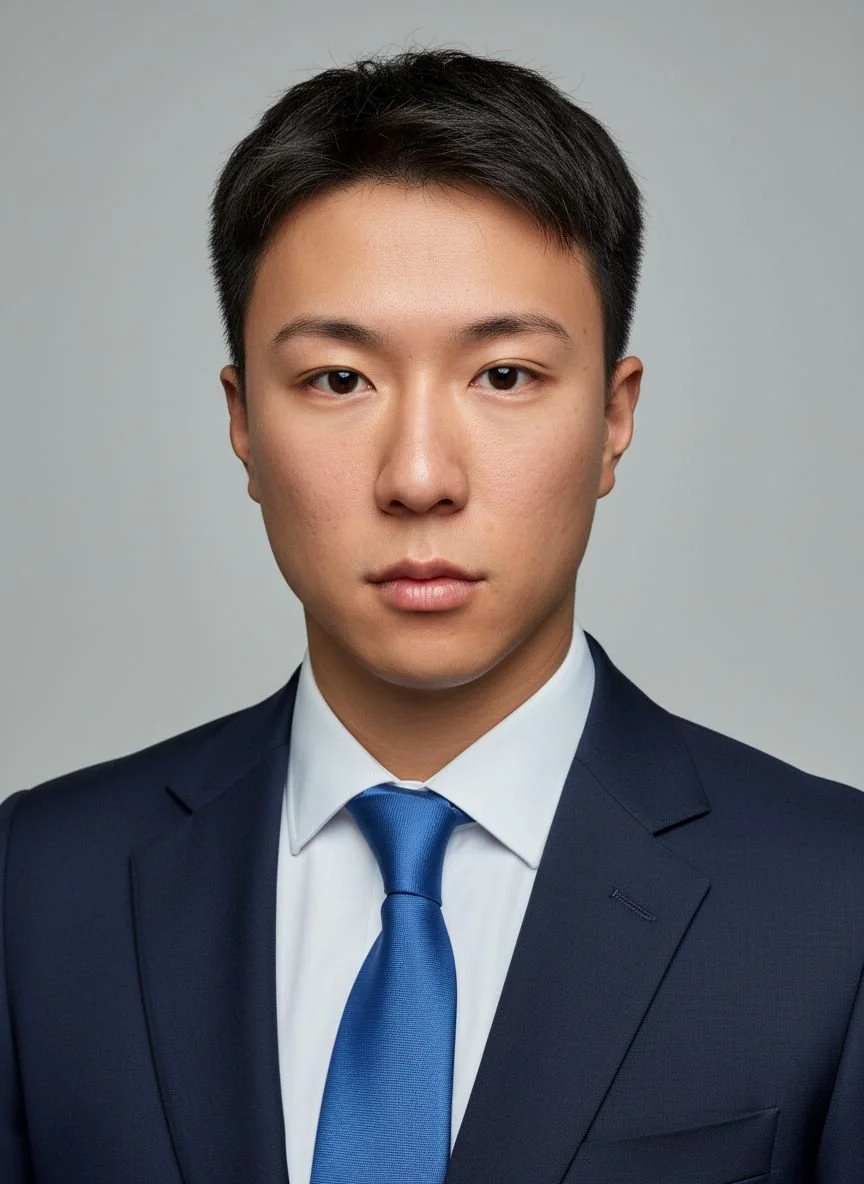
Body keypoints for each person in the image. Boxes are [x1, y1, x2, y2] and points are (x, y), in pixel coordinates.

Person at [1, 45, 862, 1184]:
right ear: (243, 423)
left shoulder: (833, 902)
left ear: (614, 417)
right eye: (338, 380)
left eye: (504, 375)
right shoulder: (41, 884)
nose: (418, 475)